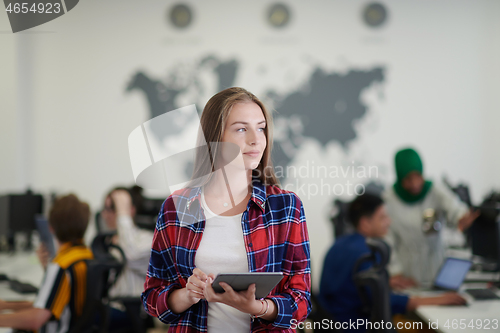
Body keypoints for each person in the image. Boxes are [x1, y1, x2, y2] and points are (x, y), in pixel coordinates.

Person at [141, 87, 311, 332]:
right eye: (242, 129)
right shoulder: (178, 207)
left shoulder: (285, 207)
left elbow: (302, 300)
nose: (256, 139)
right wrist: (187, 295)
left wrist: (258, 308)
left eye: (261, 127)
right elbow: (152, 298)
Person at [319, 193, 466, 332]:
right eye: (382, 217)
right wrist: (435, 300)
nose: (389, 222)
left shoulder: (339, 245)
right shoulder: (366, 253)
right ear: (365, 223)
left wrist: (386, 282)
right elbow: (385, 302)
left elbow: (351, 286)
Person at [383, 148, 479, 289]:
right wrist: (395, 271)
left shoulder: (434, 190)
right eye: (408, 179)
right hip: (407, 271)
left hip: (436, 265)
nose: (415, 184)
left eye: (418, 176)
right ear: (399, 176)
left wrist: (461, 217)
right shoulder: (389, 200)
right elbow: (387, 240)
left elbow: (454, 207)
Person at [0, 194, 94, 333]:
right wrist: (6, 305)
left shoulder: (61, 265)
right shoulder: (85, 255)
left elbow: (37, 318)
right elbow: (48, 305)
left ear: (50, 227)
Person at [100, 186, 155, 332]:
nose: (106, 215)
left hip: (131, 312)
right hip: (108, 306)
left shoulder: (147, 239)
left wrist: (123, 214)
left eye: (112, 208)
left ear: (131, 210)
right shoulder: (105, 241)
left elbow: (130, 255)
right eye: (105, 209)